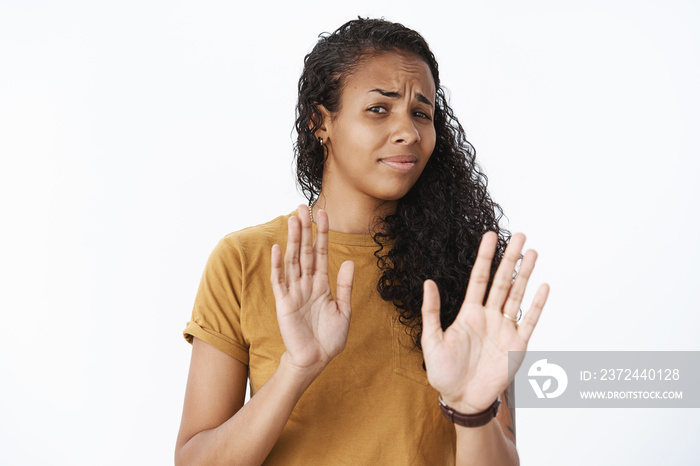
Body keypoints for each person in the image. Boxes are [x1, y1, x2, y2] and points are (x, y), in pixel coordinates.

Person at [175, 17, 549, 466]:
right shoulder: (247, 260)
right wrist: (297, 369)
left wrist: (471, 410)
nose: (408, 131)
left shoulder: (465, 275)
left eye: (421, 113)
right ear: (321, 121)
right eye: (379, 109)